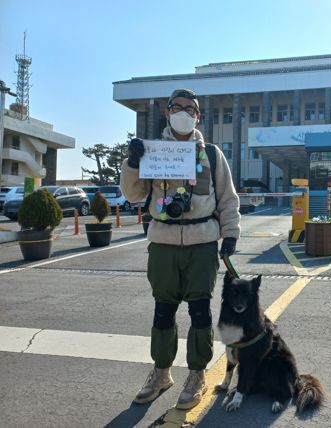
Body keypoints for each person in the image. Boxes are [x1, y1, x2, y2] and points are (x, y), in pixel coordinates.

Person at [120, 88, 240, 410]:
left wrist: (229, 235)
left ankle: (197, 375)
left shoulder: (212, 154)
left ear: (198, 116)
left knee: (200, 312)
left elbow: (228, 199)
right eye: (178, 107)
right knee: (163, 311)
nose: (184, 113)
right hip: (163, 243)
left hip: (202, 243)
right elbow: (132, 194)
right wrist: (133, 163)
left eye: (190, 109)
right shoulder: (151, 152)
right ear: (167, 112)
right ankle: (161, 372)